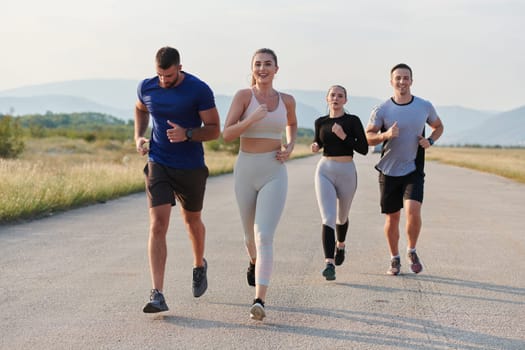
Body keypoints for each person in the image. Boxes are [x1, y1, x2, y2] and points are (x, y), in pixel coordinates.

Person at [134, 46, 220, 313]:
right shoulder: (147, 87)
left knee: (191, 220)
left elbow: (215, 130)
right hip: (158, 161)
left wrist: (189, 134)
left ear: (179, 68)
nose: (164, 80)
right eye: (160, 75)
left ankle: (198, 265)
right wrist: (138, 135)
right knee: (158, 224)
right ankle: (157, 293)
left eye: (169, 76)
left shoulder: (199, 89)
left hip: (191, 166)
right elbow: (140, 109)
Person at [222, 48, 297, 321]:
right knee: (249, 237)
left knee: (264, 235)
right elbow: (226, 134)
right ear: (252, 68)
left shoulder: (287, 100)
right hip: (246, 169)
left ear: (277, 69)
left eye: (268, 64)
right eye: (258, 64)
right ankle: (253, 262)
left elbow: (292, 123)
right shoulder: (244, 97)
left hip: (274, 170)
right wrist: (251, 119)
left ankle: (259, 300)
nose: (263, 69)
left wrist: (290, 145)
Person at [365, 63, 444, 275]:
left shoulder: (424, 106)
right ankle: (394, 258)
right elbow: (368, 138)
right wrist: (385, 136)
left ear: (411, 80)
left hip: (413, 168)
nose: (402, 81)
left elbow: (439, 127)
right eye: (398, 78)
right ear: (391, 82)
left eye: (406, 78)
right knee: (392, 218)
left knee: (413, 211)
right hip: (388, 170)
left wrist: (430, 141)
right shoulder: (381, 109)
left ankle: (411, 250)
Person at [311, 85, 369, 281]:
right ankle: (329, 263)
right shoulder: (321, 122)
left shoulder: (352, 121)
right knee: (327, 218)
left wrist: (344, 136)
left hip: (347, 171)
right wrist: (316, 145)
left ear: (345, 100)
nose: (335, 98)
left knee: (341, 217)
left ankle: (340, 245)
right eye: (332, 95)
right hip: (325, 170)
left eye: (340, 96)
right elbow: (319, 141)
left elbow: (363, 148)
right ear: (327, 99)